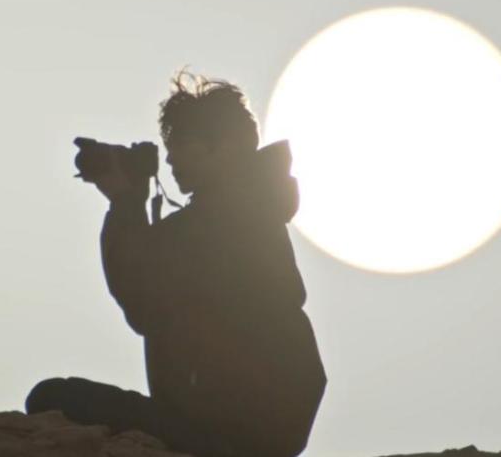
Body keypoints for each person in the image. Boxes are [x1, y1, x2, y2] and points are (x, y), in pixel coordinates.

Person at [26, 72, 327, 457]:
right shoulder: (253, 212)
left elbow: (142, 303)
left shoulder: (217, 221)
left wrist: (125, 203)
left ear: (224, 148)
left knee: (51, 397)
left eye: (183, 145)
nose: (170, 158)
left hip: (222, 431)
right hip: (264, 432)